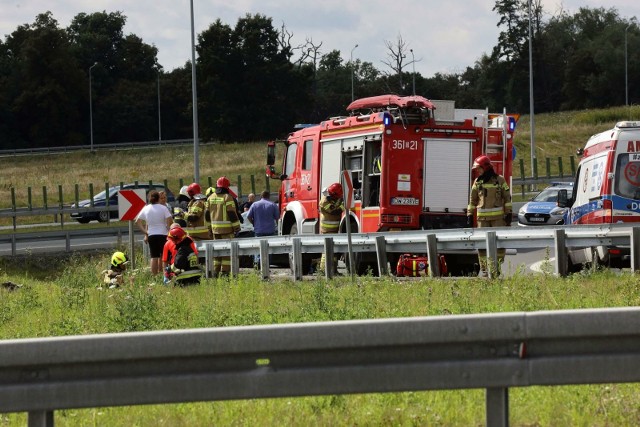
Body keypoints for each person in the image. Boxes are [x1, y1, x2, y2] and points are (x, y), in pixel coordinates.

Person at [466, 155, 512, 277]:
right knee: (482, 244)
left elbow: (507, 198)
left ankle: (496, 266)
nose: (478, 171)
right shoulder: (477, 181)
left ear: (485, 167)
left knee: (500, 243)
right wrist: (469, 214)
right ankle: (485, 270)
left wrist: (509, 213)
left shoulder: (500, 180)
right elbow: (472, 200)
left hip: (498, 220)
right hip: (482, 220)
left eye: (479, 168)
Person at [206, 176, 241, 277]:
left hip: (215, 231)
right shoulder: (227, 197)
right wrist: (237, 227)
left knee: (217, 254)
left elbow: (207, 215)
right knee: (227, 254)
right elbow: (231, 213)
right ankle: (225, 274)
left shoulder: (210, 197)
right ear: (227, 187)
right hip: (227, 230)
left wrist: (209, 228)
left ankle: (215, 273)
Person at [135, 190, 173, 275]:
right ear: (158, 198)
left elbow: (137, 221)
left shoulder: (146, 208)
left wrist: (145, 231)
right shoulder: (163, 208)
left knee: (154, 257)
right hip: (163, 234)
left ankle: (154, 276)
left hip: (151, 235)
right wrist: (168, 228)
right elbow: (169, 221)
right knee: (164, 256)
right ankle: (165, 275)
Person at [247, 190, 279, 267]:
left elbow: (248, 216)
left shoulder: (255, 204)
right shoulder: (273, 205)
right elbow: (277, 218)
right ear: (269, 196)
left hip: (258, 230)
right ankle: (267, 265)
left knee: (258, 247)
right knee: (269, 249)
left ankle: (257, 264)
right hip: (270, 230)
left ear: (261, 196)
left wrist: (254, 224)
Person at [318, 183, 344, 274]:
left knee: (334, 252)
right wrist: (343, 206)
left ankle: (333, 270)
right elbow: (334, 211)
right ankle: (323, 270)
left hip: (334, 230)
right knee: (326, 251)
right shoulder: (324, 201)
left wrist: (341, 199)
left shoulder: (332, 198)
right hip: (327, 231)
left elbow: (336, 203)